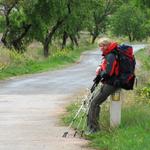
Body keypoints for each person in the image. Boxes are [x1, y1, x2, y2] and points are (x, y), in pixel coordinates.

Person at [87, 37, 121, 133]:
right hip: (110, 82)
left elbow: (108, 72)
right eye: (100, 46)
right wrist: (100, 69)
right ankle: (90, 127)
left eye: (102, 46)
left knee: (94, 103)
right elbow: (106, 67)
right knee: (92, 101)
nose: (101, 48)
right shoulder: (109, 54)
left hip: (112, 83)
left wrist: (100, 74)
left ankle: (94, 129)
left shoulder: (111, 55)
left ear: (107, 46)